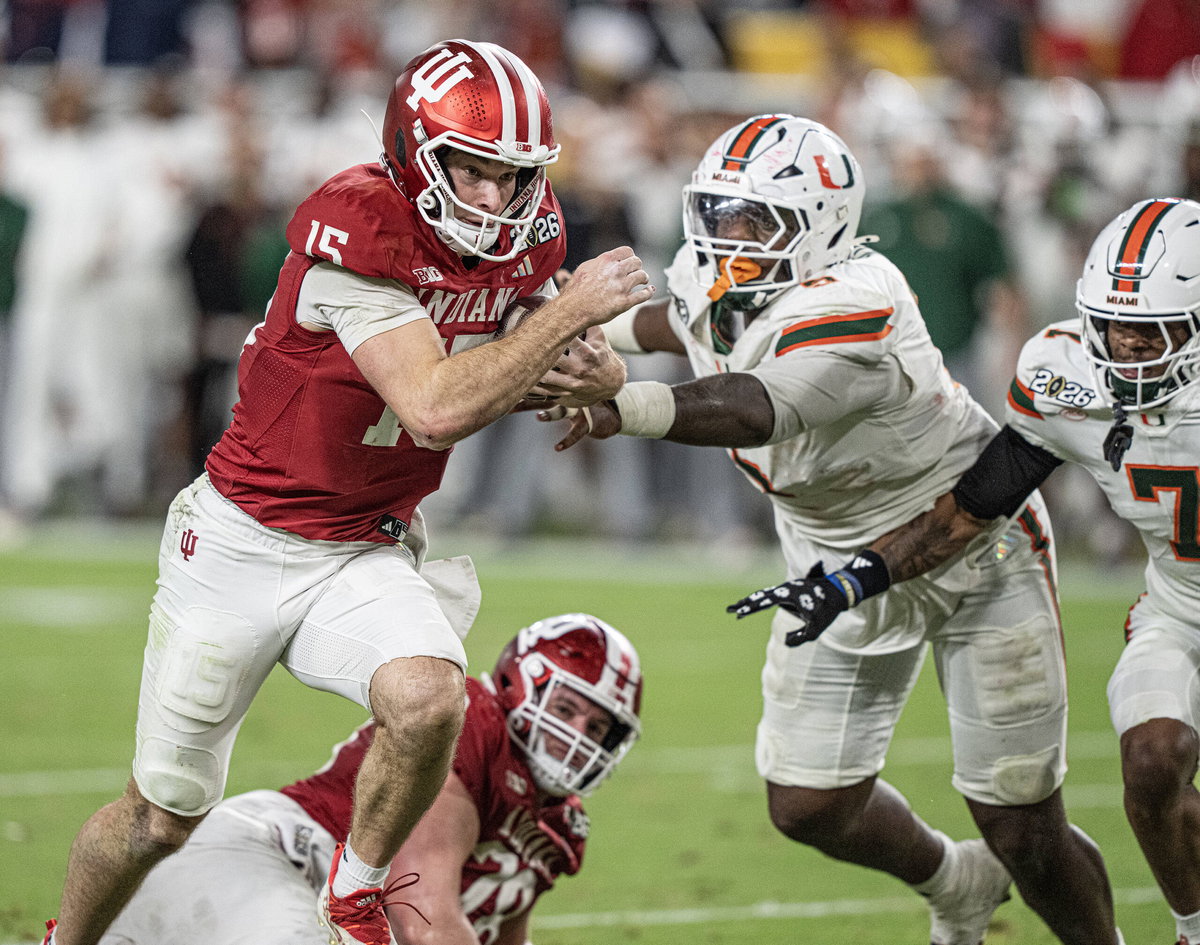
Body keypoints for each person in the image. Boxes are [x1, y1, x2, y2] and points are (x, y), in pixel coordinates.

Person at [41, 39, 653, 945]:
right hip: (244, 541)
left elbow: (525, 345)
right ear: (414, 152)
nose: (495, 198)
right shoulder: (358, 232)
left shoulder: (526, 233)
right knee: (160, 814)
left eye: (513, 175)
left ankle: (356, 893)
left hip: (364, 542)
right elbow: (435, 407)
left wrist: (595, 371)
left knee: (430, 697)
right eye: (472, 170)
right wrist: (568, 316)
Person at [546, 113, 1121, 944]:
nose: (726, 237)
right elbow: (686, 321)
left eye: (754, 221)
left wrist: (617, 402)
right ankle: (956, 883)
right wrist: (574, 338)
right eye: (718, 213)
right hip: (833, 561)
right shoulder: (725, 275)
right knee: (809, 801)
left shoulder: (856, 299)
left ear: (820, 226)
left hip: (969, 544)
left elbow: (756, 405)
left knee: (1022, 825)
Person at [730, 195, 1200, 945]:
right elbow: (973, 506)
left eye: (1152, 331)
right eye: (1114, 325)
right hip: (1178, 611)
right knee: (1151, 760)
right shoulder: (1065, 375)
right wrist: (855, 579)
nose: (1126, 347)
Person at [94, 613, 643, 945]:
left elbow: (498, 932)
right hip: (270, 857)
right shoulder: (475, 726)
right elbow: (421, 914)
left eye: (598, 727)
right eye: (566, 709)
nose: (577, 735)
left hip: (315, 907)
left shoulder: (559, 827)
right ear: (518, 683)